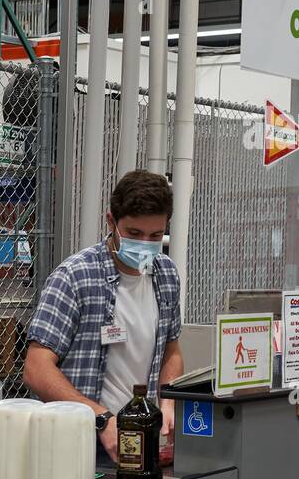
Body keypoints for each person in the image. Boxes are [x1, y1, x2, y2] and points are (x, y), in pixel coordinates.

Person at [24, 169, 185, 462]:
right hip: (81, 440)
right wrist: (99, 417)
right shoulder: (75, 277)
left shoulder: (166, 275)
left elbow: (171, 350)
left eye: (155, 235)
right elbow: (36, 368)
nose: (145, 243)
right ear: (111, 221)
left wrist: (169, 400)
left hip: (144, 436)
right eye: (135, 234)